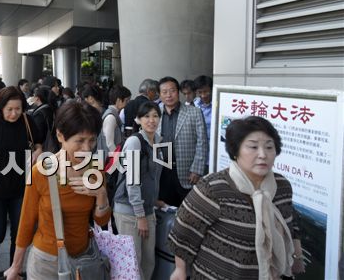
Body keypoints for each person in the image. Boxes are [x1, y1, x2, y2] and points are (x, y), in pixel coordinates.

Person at [168, 116, 306, 280]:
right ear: (235, 151)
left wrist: (296, 256)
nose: (262, 154)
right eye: (253, 147)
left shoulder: (282, 186)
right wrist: (180, 270)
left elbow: (290, 222)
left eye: (269, 147)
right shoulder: (213, 188)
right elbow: (184, 230)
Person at [4, 101, 111, 280]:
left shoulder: (96, 170)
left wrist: (101, 195)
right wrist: (16, 266)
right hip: (46, 263)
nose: (87, 148)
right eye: (80, 141)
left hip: (84, 260)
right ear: (60, 136)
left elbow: (101, 220)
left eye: (92, 140)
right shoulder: (40, 172)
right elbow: (26, 222)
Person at [0, 86, 43, 264]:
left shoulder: (27, 122)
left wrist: (38, 151)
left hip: (22, 188)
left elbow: (38, 144)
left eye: (18, 109)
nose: (14, 114)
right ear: (1, 107)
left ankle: (15, 270)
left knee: (19, 234)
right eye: (10, 109)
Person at [113, 101, 163, 280]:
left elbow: (154, 176)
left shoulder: (159, 140)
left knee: (148, 261)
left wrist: (154, 199)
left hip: (147, 209)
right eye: (147, 116)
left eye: (155, 116)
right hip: (129, 210)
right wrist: (140, 216)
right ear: (138, 119)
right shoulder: (134, 142)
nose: (152, 120)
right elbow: (132, 182)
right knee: (133, 263)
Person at [157, 76, 207, 207]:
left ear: (178, 92)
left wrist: (197, 169)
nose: (169, 95)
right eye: (164, 92)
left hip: (187, 172)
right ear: (160, 94)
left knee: (189, 209)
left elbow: (202, 142)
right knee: (165, 210)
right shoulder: (154, 114)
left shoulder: (194, 112)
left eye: (172, 91)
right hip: (162, 172)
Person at [30, 85, 56, 153]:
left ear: (37, 98)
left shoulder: (40, 114)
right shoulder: (49, 109)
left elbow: (39, 134)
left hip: (44, 148)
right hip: (51, 144)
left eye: (34, 95)